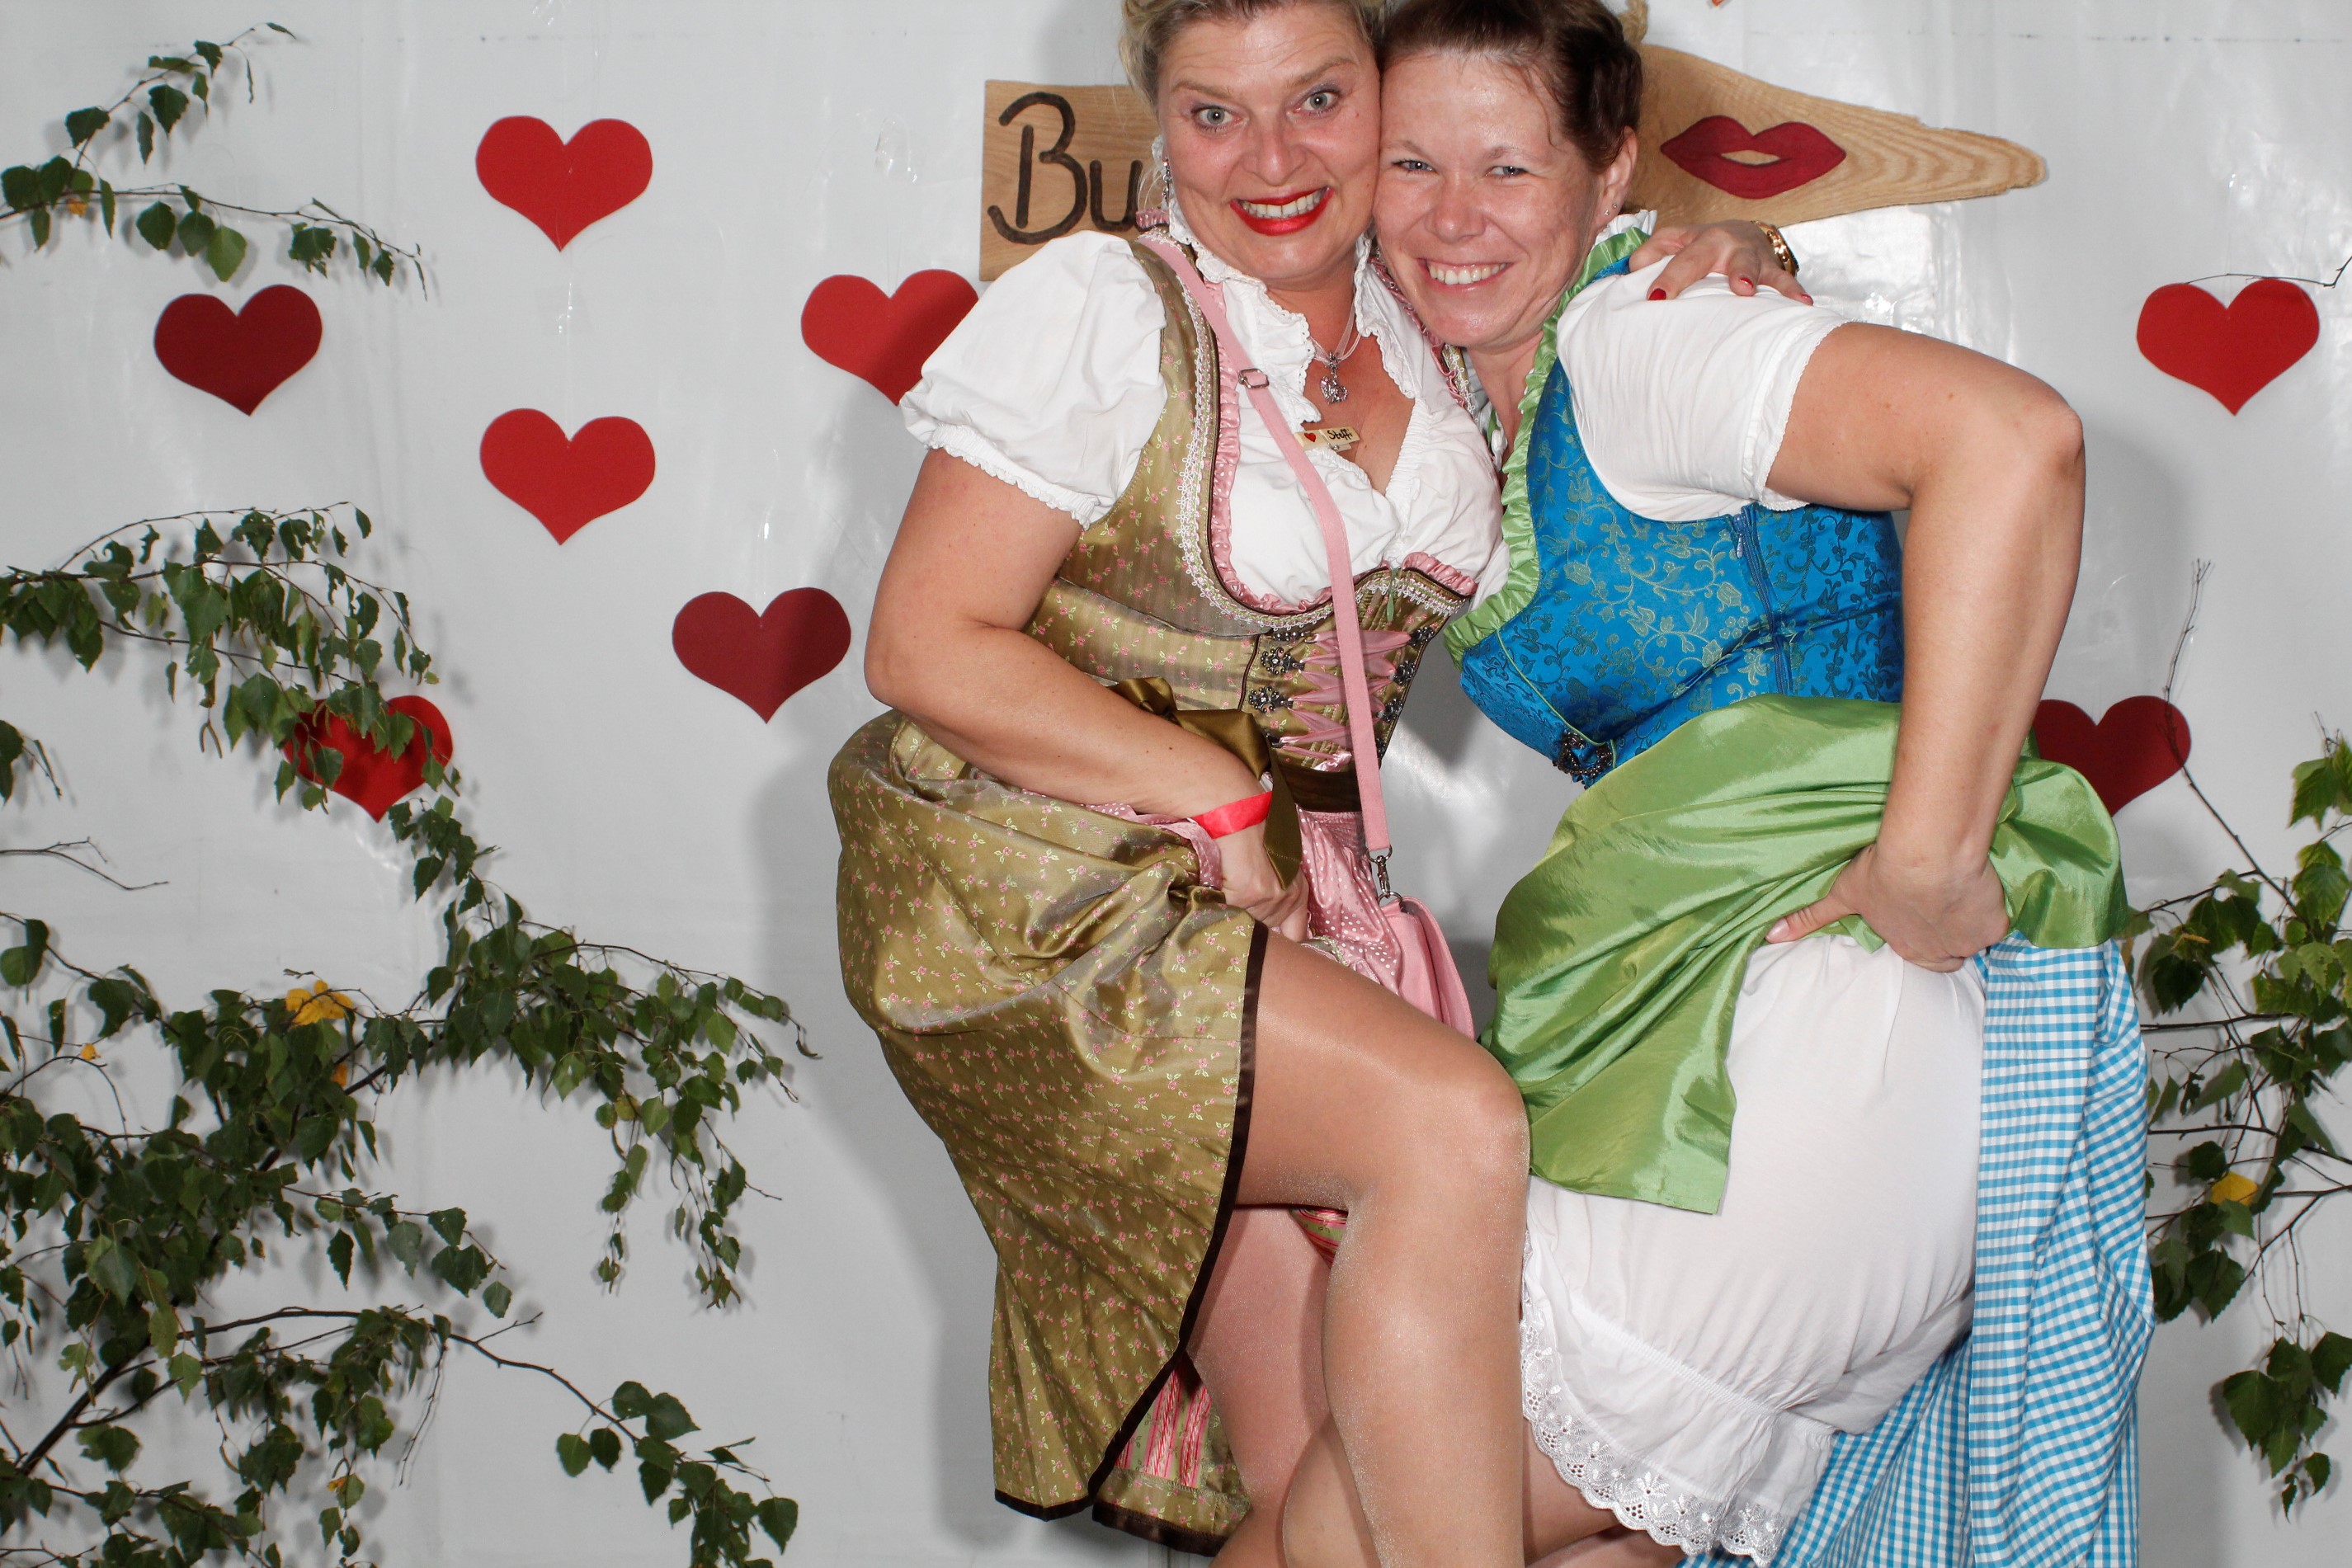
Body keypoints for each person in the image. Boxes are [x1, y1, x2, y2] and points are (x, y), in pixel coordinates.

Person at [831, 1, 1789, 1560]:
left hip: (1294, 911)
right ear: (1158, 123)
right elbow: (923, 642)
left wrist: (1735, 245)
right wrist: (1212, 793)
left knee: (1313, 1481)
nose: (1269, 159)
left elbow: (1583, 250)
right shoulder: (1108, 307)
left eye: (1320, 101)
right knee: (1452, 1128)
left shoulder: (1432, 324)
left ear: (1380, 97)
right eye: (1213, 113)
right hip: (1051, 891)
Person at [1270, 2, 2143, 1565]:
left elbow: (2013, 442)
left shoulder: (1642, 340)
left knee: (1341, 1530)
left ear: (1609, 175)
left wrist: (1928, 857)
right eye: (1413, 163)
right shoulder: (1488, 395)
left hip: (1813, 1051)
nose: (1453, 216)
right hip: (1741, 1058)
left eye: (1507, 167)